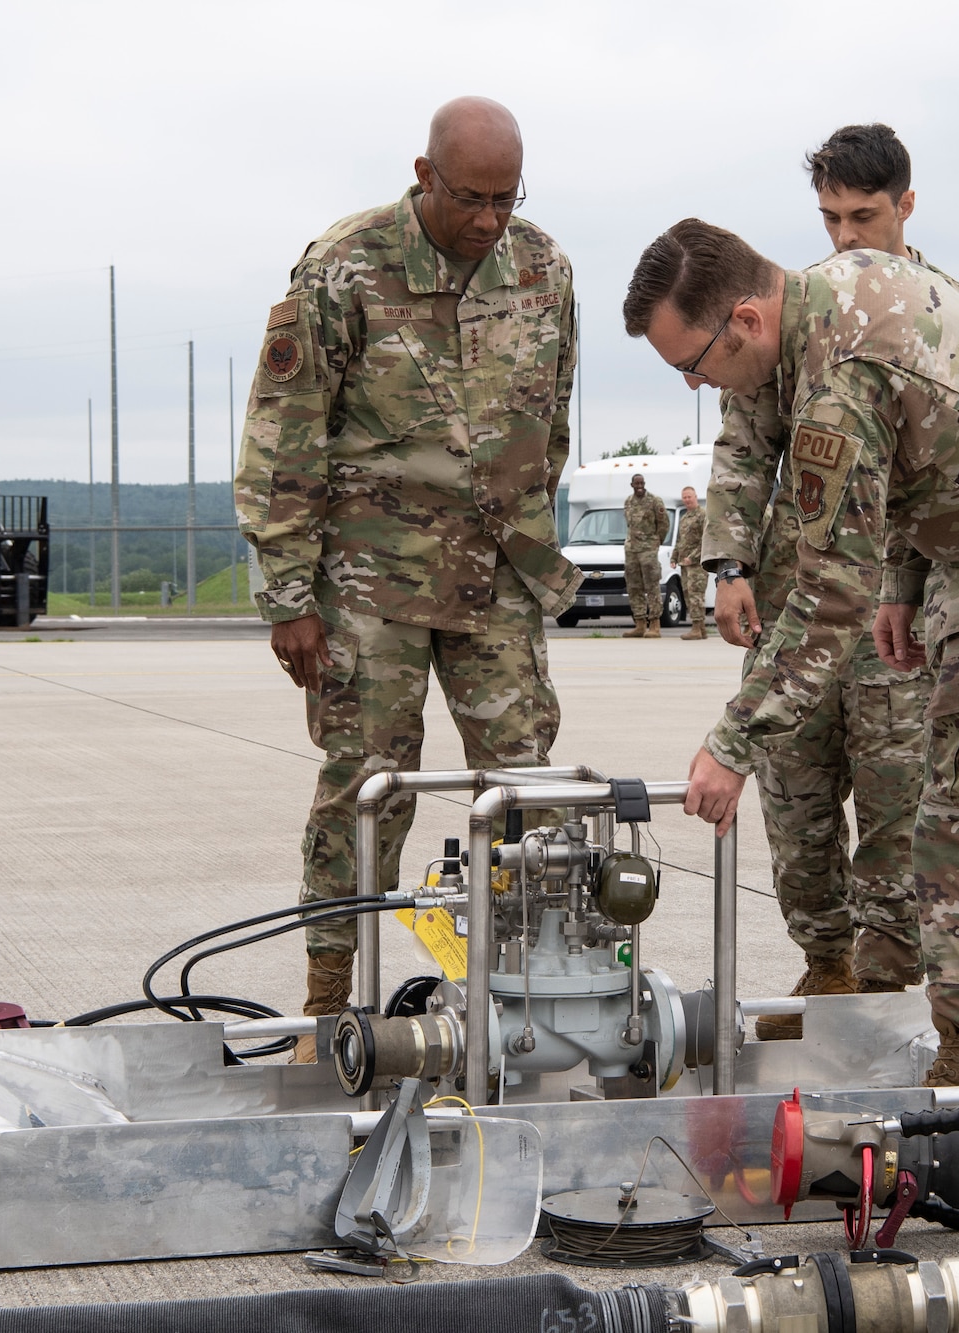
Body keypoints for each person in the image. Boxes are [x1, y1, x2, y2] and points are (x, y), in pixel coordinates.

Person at [628, 219, 959, 1084]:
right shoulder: (855, 276)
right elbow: (936, 436)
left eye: (695, 362)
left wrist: (732, 743)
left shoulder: (836, 385)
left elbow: (827, 596)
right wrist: (904, 579)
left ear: (746, 319)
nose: (695, 383)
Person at [236, 97, 580, 1060]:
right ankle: (326, 999)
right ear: (423, 176)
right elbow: (283, 439)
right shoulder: (344, 268)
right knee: (368, 788)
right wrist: (290, 597)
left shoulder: (546, 269)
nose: (488, 220)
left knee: (527, 788)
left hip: (496, 574)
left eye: (506, 199)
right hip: (366, 583)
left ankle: (532, 993)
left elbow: (550, 420)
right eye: (470, 198)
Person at [704, 124, 959, 1034]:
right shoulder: (789, 319)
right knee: (796, 801)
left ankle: (882, 980)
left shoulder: (945, 312)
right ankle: (825, 964)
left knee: (898, 797)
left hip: (897, 608)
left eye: (864, 215)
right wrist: (730, 563)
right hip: (798, 602)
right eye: (829, 217)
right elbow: (743, 449)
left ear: (907, 205)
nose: (846, 237)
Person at [622, 472, 669, 637]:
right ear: (632, 485)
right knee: (634, 587)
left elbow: (664, 523)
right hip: (632, 550)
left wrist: (656, 541)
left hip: (648, 549)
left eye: (642, 483)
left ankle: (655, 624)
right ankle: (640, 623)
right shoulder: (628, 502)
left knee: (652, 586)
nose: (640, 486)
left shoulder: (655, 501)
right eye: (637, 484)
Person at [674, 486, 708, 639]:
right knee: (688, 595)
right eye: (684, 497)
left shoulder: (702, 515)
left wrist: (693, 557)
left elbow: (706, 540)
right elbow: (680, 541)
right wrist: (674, 557)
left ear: (695, 496)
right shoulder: (684, 517)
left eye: (689, 497)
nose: (687, 500)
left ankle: (696, 628)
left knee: (696, 595)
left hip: (697, 564)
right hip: (684, 564)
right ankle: (701, 629)